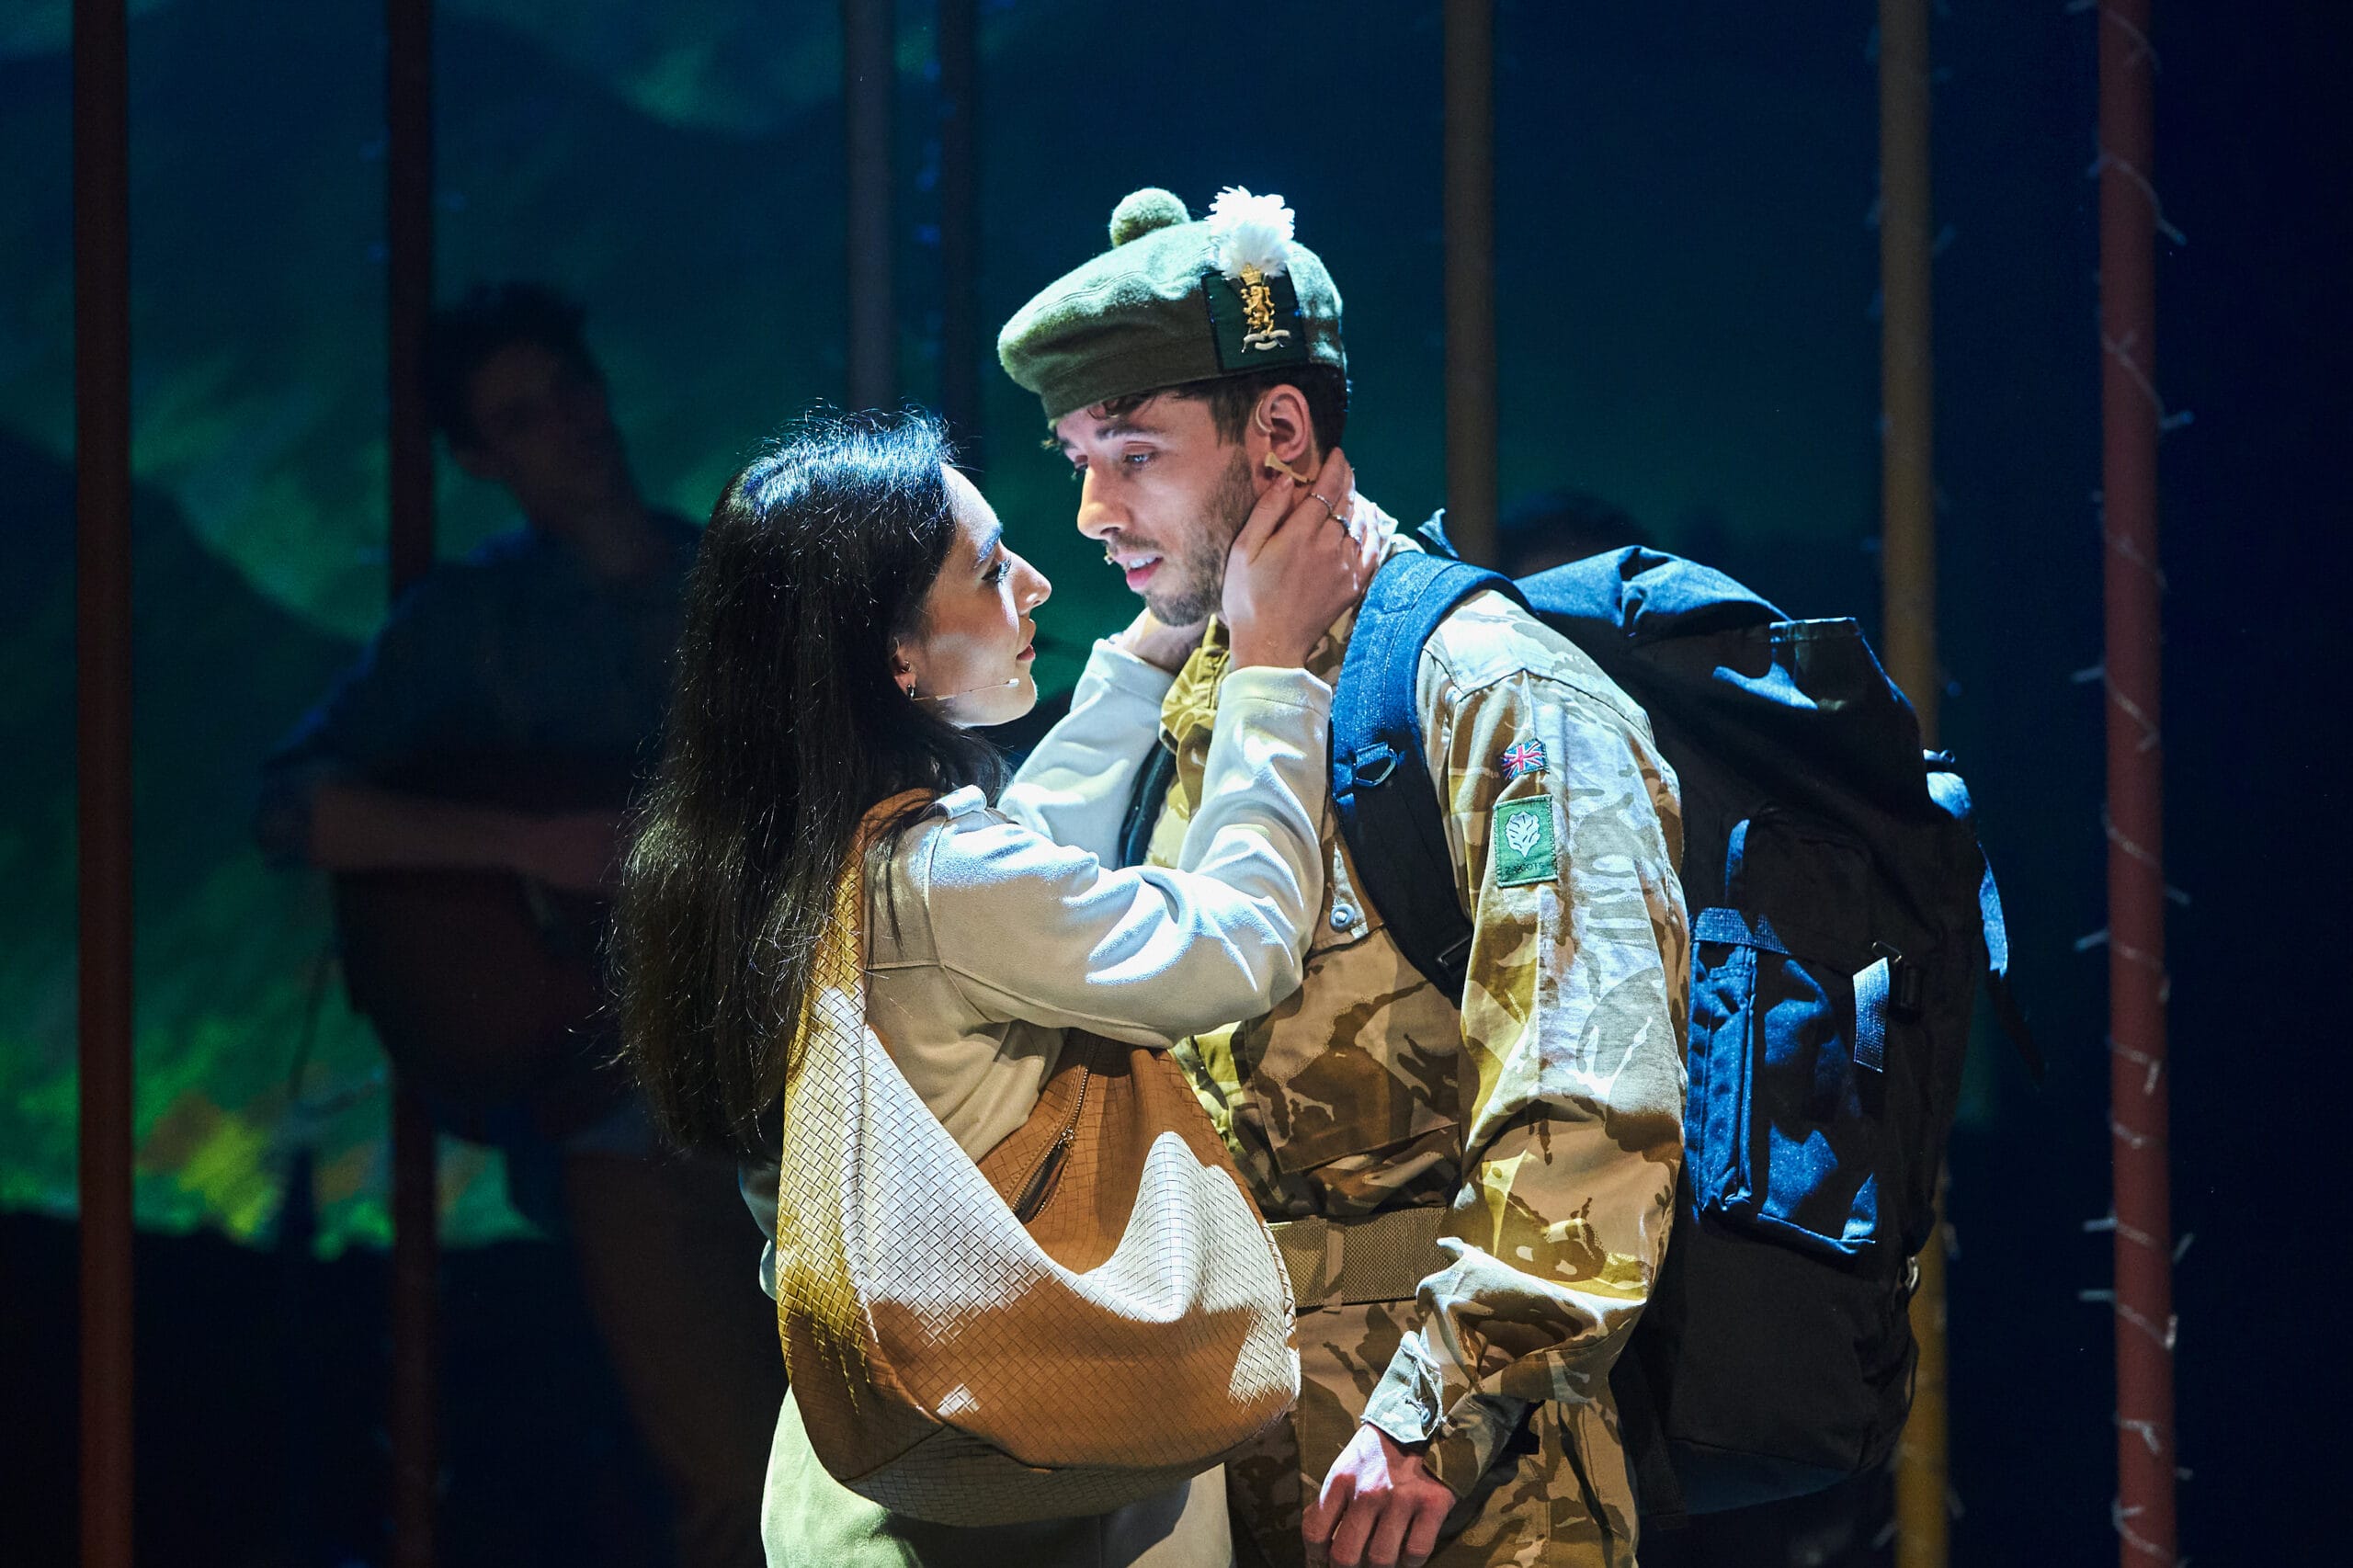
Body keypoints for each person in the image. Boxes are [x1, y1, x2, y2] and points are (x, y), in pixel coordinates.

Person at [993, 187, 1692, 1568]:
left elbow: (1593, 1087)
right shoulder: (1202, 691)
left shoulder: (1485, 688)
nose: (1089, 509)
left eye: (1132, 454)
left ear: (1280, 436)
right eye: (1079, 456)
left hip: (1445, 1481)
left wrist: (1438, 1406)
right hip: (1200, 1446)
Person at [614, 410, 1377, 1568]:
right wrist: (1267, 673)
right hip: (1039, 1481)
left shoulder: (761, 864)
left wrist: (1137, 660)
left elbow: (1020, 875)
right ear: (894, 658)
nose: (1032, 583)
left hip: (861, 1476)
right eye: (985, 569)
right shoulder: (942, 877)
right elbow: (1235, 944)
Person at [256, 282, 782, 1567]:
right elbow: (293, 807)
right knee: (731, 1483)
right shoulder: (464, 630)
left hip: (800, 1081)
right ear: (481, 459)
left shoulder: (741, 588)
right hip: (613, 1116)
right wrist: (526, 846)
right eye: (524, 416)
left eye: (574, 390)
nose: (571, 425)